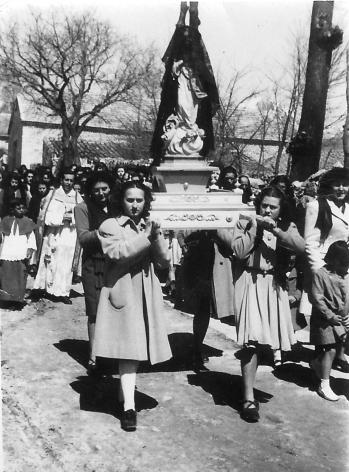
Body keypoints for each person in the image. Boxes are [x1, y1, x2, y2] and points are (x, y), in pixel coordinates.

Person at [92, 181, 172, 431]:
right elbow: (119, 253)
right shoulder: (109, 225)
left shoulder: (148, 225)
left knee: (135, 349)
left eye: (139, 200)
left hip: (145, 289)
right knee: (129, 350)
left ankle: (124, 394)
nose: (135, 205)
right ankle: (129, 407)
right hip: (122, 287)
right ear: (121, 200)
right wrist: (145, 236)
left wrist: (157, 237)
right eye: (130, 200)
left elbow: (163, 260)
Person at [223, 186, 304, 421]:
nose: (267, 210)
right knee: (250, 341)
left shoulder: (287, 226)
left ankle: (251, 387)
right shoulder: (245, 222)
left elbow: (301, 248)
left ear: (281, 209)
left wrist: (276, 230)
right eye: (264, 205)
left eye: (273, 207)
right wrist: (256, 228)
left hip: (273, 285)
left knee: (264, 342)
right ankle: (248, 398)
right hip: (249, 282)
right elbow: (239, 251)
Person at [304, 167, 349, 373]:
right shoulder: (317, 205)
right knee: (325, 318)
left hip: (345, 269)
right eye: (337, 184)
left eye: (345, 184)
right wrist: (320, 272)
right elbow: (311, 242)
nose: (341, 188)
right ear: (329, 185)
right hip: (326, 269)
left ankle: (339, 356)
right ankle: (320, 364)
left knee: (344, 313)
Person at [74, 171, 114, 374]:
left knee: (116, 309)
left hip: (115, 263)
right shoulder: (82, 208)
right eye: (96, 190)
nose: (100, 193)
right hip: (93, 264)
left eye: (104, 189)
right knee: (95, 311)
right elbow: (83, 238)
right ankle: (94, 357)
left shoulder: (117, 205)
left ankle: (112, 353)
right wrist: (104, 232)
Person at [32, 168, 83, 304]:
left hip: (70, 235)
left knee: (65, 263)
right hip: (54, 233)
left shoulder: (77, 197)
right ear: (61, 180)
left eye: (71, 180)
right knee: (49, 261)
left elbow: (83, 217)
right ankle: (43, 289)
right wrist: (61, 217)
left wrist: (70, 218)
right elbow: (45, 216)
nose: (69, 183)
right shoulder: (53, 194)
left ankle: (63, 292)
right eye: (66, 179)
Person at [309, 241, 349, 401]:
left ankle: (317, 363)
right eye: (342, 264)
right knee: (330, 349)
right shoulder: (321, 274)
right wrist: (329, 315)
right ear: (333, 260)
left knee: (340, 346)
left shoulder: (345, 276)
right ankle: (324, 385)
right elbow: (316, 297)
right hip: (324, 319)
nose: (345, 268)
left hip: (341, 319)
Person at [0, 198, 36, 307]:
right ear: (12, 209)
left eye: (23, 208)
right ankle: (7, 299)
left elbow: (31, 237)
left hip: (20, 251)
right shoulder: (5, 220)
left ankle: (18, 300)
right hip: (7, 251)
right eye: (18, 208)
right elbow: (2, 236)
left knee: (20, 275)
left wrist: (29, 249)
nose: (21, 210)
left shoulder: (27, 221)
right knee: (6, 275)